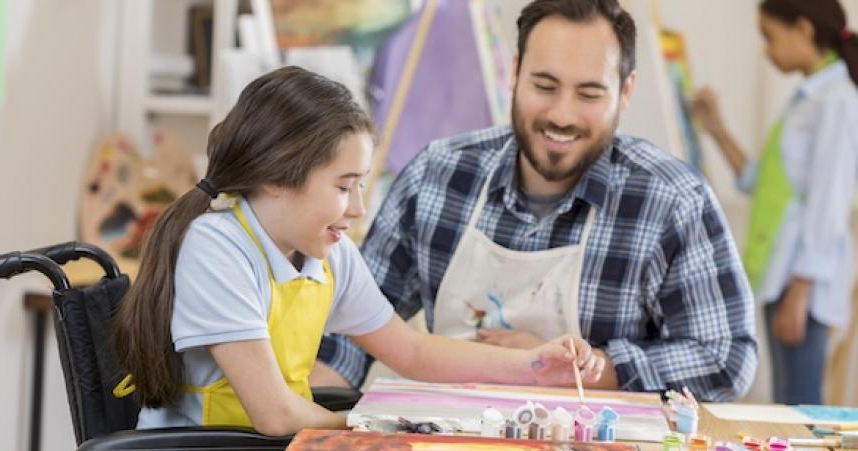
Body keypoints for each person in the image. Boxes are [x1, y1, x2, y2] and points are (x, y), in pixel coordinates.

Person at [114, 66, 604, 451]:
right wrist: (380, 428)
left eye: (361, 185)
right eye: (344, 186)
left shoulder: (327, 254)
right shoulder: (217, 247)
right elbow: (275, 416)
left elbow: (411, 352)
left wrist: (537, 366)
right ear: (278, 177)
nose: (358, 208)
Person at [317, 0, 758, 402]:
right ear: (514, 72)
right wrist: (298, 424)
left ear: (626, 90)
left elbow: (725, 358)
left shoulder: (672, 200)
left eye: (589, 94)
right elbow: (352, 325)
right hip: (449, 444)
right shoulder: (438, 176)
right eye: (544, 85)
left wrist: (586, 370)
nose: (562, 115)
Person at [692, 0, 858, 405]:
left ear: (803, 29)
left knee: (798, 405)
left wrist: (799, 293)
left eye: (770, 37)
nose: (766, 50)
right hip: (782, 276)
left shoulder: (835, 101)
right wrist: (715, 129)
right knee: (789, 400)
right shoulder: (809, 97)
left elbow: (828, 205)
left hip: (801, 284)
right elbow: (762, 184)